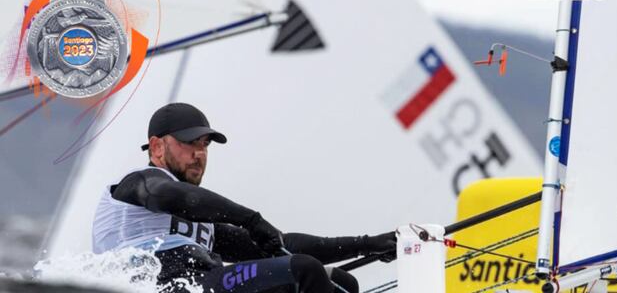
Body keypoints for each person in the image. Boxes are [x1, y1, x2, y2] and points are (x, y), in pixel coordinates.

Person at [92, 102, 396, 292]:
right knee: (304, 270)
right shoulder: (136, 184)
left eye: (205, 145)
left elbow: (278, 245)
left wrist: (368, 243)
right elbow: (170, 196)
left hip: (204, 285)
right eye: (189, 144)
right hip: (161, 288)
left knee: (340, 280)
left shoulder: (203, 227)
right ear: (157, 147)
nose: (199, 154)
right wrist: (250, 219)